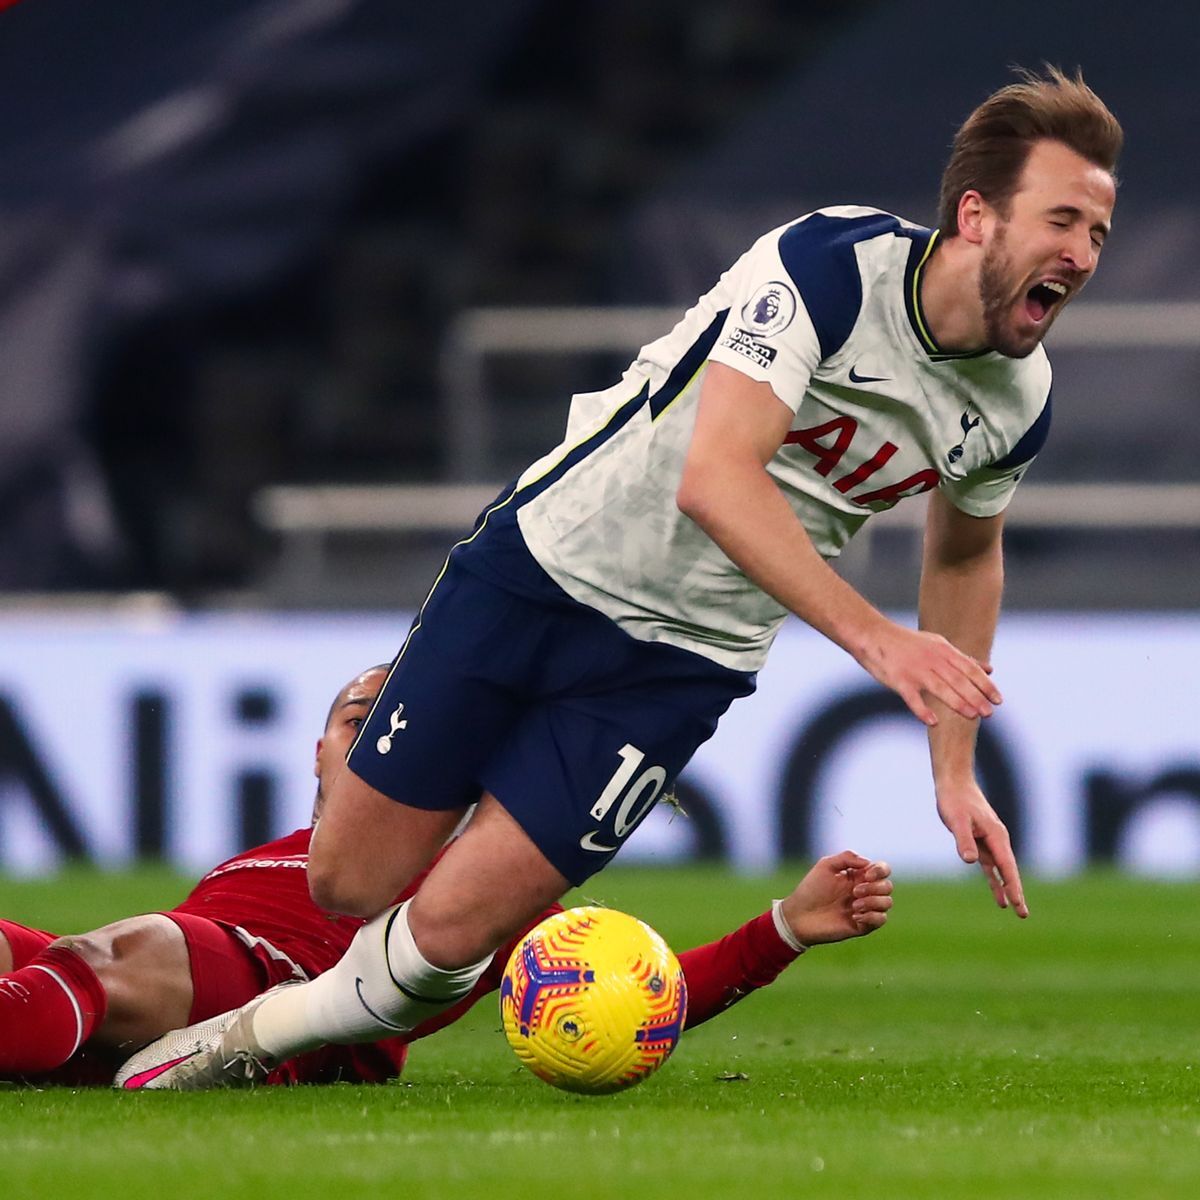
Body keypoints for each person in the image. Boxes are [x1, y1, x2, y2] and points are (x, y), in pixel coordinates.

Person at [119, 66, 1121, 1091]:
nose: (1083, 255)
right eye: (1063, 221)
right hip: (548, 564)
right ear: (975, 216)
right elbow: (716, 480)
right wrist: (877, 641)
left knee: (448, 935)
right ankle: (416, 814)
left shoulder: (1017, 402)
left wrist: (954, 768)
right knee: (347, 880)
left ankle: (247, 1038)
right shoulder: (830, 264)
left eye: (1097, 233)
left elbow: (963, 554)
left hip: (680, 663)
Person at [0, 666, 894, 1087]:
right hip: (186, 978)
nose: (378, 748)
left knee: (111, 956)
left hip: (270, 988)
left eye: (402, 731)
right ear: (318, 752)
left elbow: (634, 989)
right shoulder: (277, 849)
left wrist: (781, 930)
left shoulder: (468, 885)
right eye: (360, 724)